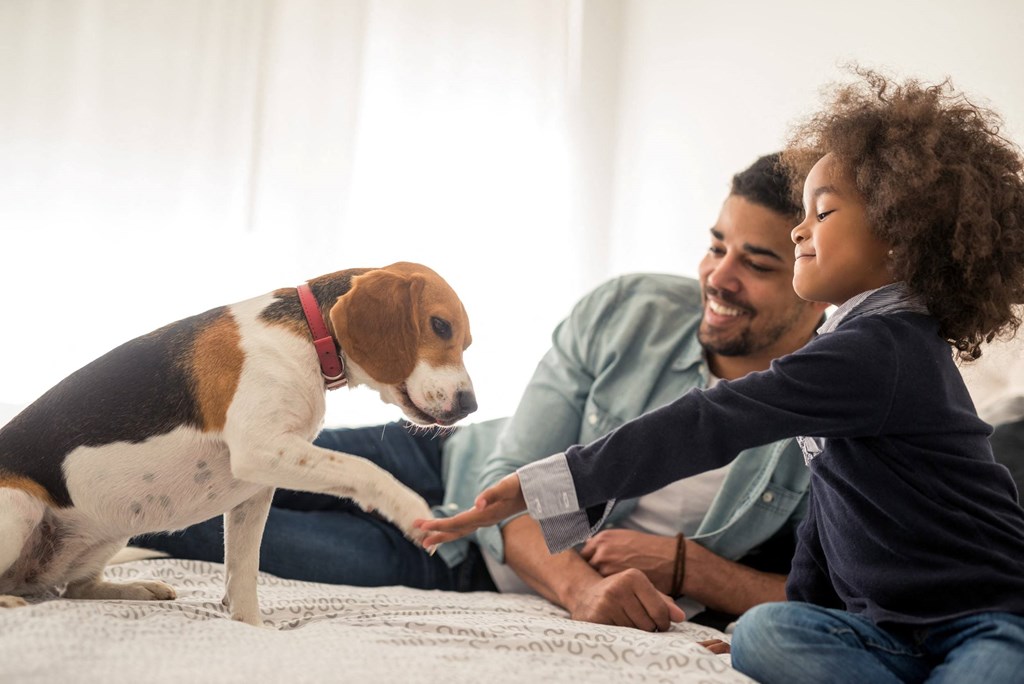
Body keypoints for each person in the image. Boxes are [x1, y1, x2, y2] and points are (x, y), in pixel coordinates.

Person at [417, 69, 1024, 683]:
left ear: (899, 236)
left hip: (985, 613)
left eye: (823, 212)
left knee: (996, 664)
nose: (799, 230)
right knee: (762, 632)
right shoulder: (850, 345)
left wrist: (554, 484)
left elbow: (712, 420)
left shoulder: (884, 349)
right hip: (890, 631)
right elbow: (832, 512)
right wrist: (805, 608)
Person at [132, 152, 830, 629]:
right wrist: (584, 591)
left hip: (453, 563)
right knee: (196, 458)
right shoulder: (628, 311)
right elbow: (515, 476)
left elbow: (841, 596)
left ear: (815, 279)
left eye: (757, 263)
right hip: (443, 461)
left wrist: (694, 570)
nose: (718, 278)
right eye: (716, 245)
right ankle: (30, 465)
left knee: (178, 518)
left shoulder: (840, 411)